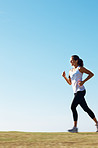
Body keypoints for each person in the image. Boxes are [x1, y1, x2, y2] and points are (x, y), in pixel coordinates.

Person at [62, 55, 98, 133]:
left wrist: (83, 81)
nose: (70, 62)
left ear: (76, 60)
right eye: (70, 60)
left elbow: (91, 74)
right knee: (86, 109)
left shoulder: (80, 68)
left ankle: (75, 127)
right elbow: (70, 83)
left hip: (81, 91)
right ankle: (97, 123)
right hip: (75, 92)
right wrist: (64, 77)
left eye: (72, 60)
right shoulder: (70, 71)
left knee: (72, 107)